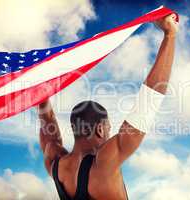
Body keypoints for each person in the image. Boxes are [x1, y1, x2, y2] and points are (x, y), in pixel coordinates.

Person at [37, 13, 179, 200]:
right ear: (99, 128)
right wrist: (170, 36)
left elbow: (49, 131)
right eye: (109, 128)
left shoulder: (56, 165)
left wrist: (40, 95)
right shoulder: (103, 166)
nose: (109, 132)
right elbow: (147, 104)